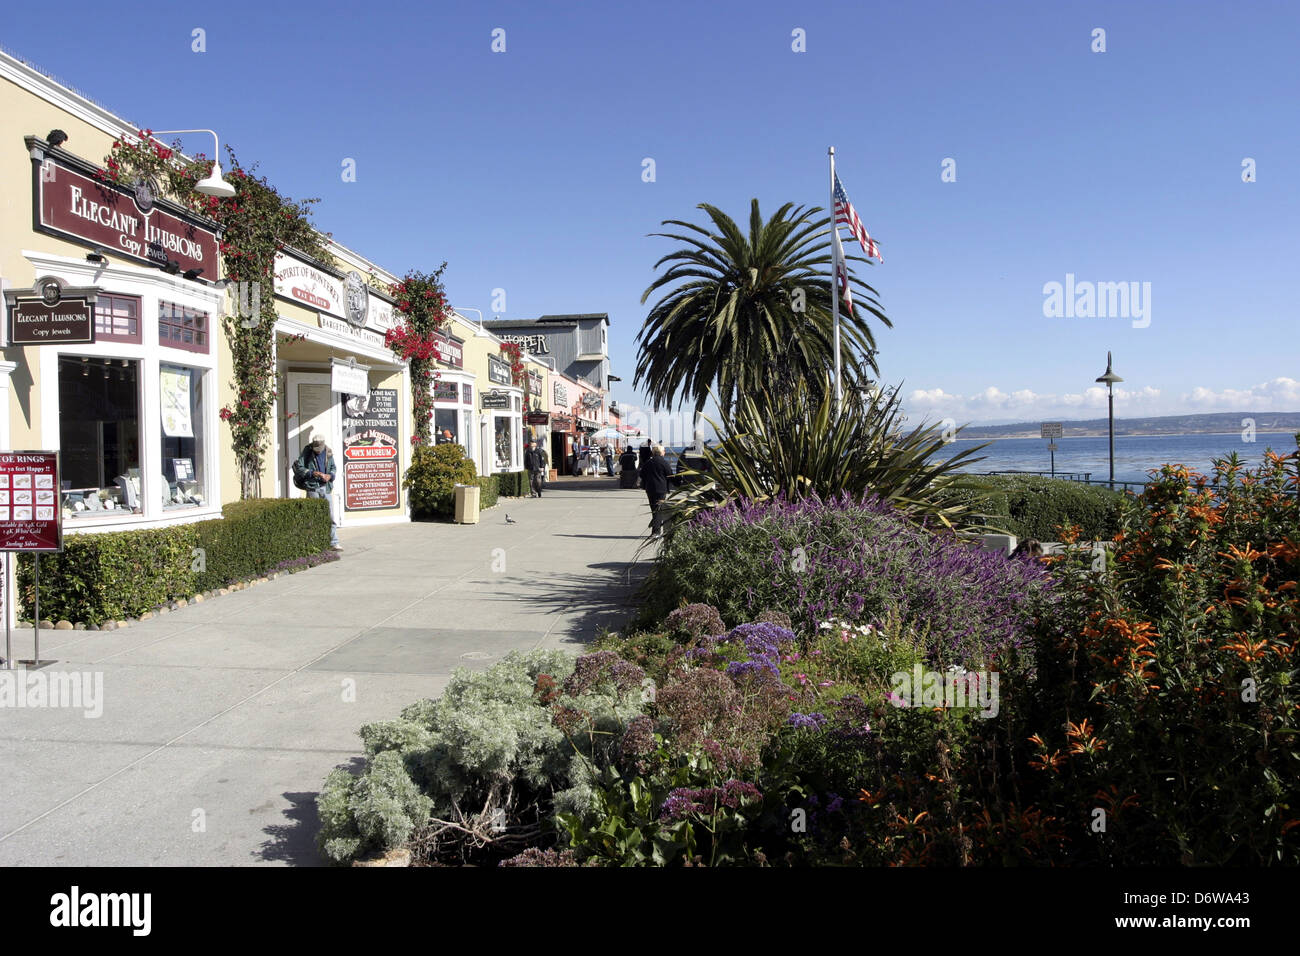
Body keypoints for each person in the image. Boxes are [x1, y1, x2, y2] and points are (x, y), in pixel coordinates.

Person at [293, 433, 341, 551]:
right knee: (312, 516)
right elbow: (299, 467)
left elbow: (333, 467)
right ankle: (313, 543)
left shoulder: (328, 452)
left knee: (330, 516)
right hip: (312, 487)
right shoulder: (307, 451)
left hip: (326, 487)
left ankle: (333, 542)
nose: (318, 451)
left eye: (319, 449)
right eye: (316, 449)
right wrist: (312, 473)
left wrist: (330, 476)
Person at [639, 442, 672, 536]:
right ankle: (656, 532)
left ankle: (655, 530)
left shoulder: (648, 462)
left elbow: (642, 474)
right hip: (661, 489)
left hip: (650, 489)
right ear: (661, 452)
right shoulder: (664, 462)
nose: (665, 452)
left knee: (654, 509)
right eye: (664, 450)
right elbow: (670, 474)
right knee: (658, 510)